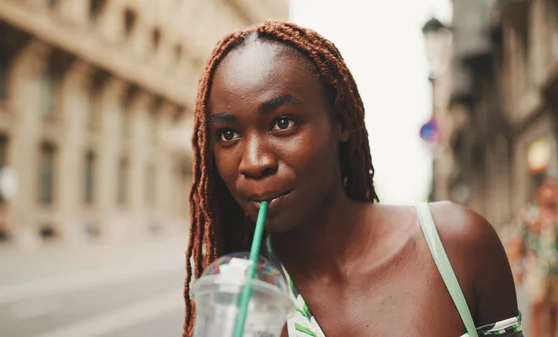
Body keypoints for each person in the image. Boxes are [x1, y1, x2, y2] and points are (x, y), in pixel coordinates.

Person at [182, 20, 522, 336]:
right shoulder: (242, 305)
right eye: (227, 135)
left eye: (282, 123)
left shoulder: (456, 247)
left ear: (340, 123)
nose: (254, 162)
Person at [508, 176, 558, 337]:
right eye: (547, 189)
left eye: (554, 189)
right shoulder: (529, 213)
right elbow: (517, 241)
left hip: (555, 270)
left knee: (554, 308)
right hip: (536, 268)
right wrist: (516, 267)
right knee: (537, 305)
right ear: (539, 192)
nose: (551, 193)